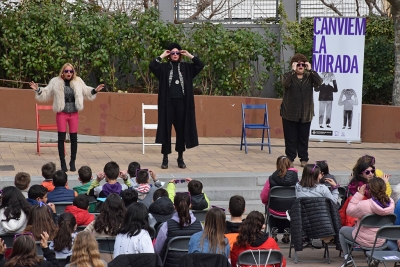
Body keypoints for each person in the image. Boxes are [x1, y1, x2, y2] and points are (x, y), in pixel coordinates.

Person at [30, 63, 104, 172]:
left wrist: (95, 90)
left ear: (73, 72)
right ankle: (63, 162)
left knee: (74, 138)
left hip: (74, 113)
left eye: (71, 71)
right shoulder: (55, 81)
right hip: (62, 113)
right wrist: (37, 89)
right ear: (63, 72)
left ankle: (72, 161)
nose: (69, 73)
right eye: (66, 71)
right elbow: (46, 92)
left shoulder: (78, 81)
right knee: (61, 138)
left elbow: (87, 90)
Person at [149, 42, 204, 169]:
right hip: (167, 104)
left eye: (177, 53)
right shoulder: (163, 68)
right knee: (166, 131)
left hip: (182, 104)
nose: (175, 55)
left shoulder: (186, 67)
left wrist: (190, 55)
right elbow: (152, 65)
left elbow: (200, 65)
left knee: (181, 131)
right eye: (172, 53)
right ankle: (165, 158)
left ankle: (180, 158)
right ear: (169, 54)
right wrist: (162, 55)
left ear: (180, 54)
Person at [339, 178, 394, 267]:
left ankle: (347, 258)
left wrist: (359, 195)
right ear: (384, 189)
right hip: (380, 240)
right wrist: (382, 184)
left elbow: (349, 211)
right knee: (365, 233)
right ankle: (370, 258)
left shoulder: (365, 204)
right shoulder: (390, 203)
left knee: (342, 231)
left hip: (363, 238)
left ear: (369, 190)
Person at [280, 53, 322, 167]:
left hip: (305, 113)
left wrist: (311, 70)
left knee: (303, 137)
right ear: (294, 65)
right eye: (298, 64)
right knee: (290, 137)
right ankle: (290, 158)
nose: (300, 66)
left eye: (303, 64)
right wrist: (292, 71)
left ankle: (304, 158)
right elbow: (285, 83)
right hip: (289, 113)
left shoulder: (309, 77)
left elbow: (319, 82)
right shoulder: (288, 76)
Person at [154, 192, 202, 267]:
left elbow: (157, 250)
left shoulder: (166, 226)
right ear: (190, 205)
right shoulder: (200, 226)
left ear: (174, 206)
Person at [260, 155, 298, 243]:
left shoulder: (271, 178)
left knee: (269, 206)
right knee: (289, 208)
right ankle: (287, 229)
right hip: (291, 210)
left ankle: (274, 228)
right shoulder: (296, 179)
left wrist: (266, 202)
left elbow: (264, 196)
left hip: (274, 210)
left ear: (277, 166)